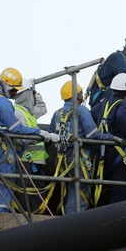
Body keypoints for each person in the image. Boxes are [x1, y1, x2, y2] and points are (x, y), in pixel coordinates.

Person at [0, 68, 59, 213]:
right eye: (13, 91)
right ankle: (1, 220)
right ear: (5, 85)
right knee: (5, 186)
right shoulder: (3, 103)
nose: (14, 95)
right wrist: (42, 133)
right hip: (3, 150)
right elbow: (17, 129)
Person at [49, 80, 118, 213]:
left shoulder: (57, 114)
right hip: (79, 159)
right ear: (77, 96)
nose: (81, 95)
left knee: (71, 189)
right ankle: (74, 224)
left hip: (63, 159)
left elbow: (53, 134)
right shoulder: (81, 110)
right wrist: (112, 137)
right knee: (80, 191)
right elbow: (93, 134)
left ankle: (69, 219)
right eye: (80, 93)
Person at [91, 73, 126, 206]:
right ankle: (121, 216)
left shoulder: (104, 103)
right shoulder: (124, 105)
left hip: (103, 153)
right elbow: (122, 117)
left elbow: (92, 115)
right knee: (119, 189)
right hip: (119, 154)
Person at [87, 33, 126, 118]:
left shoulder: (121, 60)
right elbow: (125, 74)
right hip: (100, 102)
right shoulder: (116, 57)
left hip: (109, 98)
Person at [12, 79, 48, 212]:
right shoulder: (17, 112)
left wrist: (35, 91)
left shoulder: (29, 112)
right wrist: (40, 134)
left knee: (37, 193)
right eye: (31, 94)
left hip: (35, 162)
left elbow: (43, 109)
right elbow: (21, 137)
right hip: (23, 161)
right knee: (25, 194)